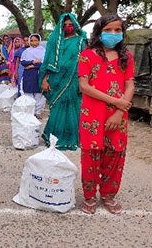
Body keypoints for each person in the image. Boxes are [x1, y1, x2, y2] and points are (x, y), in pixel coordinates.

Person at [77, 13, 134, 215]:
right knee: (91, 154)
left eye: (117, 30)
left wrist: (119, 110)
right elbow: (84, 86)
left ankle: (109, 195)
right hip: (92, 114)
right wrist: (116, 101)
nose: (113, 33)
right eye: (108, 30)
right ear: (99, 33)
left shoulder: (127, 57)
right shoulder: (87, 55)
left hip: (119, 115)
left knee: (115, 154)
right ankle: (90, 196)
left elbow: (130, 84)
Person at [39, 13, 87, 151]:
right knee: (56, 108)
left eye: (70, 25)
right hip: (56, 80)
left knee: (73, 108)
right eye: (65, 25)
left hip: (74, 79)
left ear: (75, 25)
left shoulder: (80, 41)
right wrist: (44, 80)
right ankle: (54, 137)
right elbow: (47, 62)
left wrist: (83, 82)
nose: (67, 27)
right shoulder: (54, 41)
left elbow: (85, 63)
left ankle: (72, 138)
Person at [20, 34, 46, 118]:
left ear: (39, 41)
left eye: (35, 40)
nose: (34, 42)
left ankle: (38, 112)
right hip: (29, 75)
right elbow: (23, 62)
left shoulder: (44, 51)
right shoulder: (26, 51)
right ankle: (30, 111)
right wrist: (33, 61)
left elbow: (44, 64)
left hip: (39, 74)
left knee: (39, 94)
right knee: (28, 92)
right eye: (31, 40)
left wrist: (32, 66)